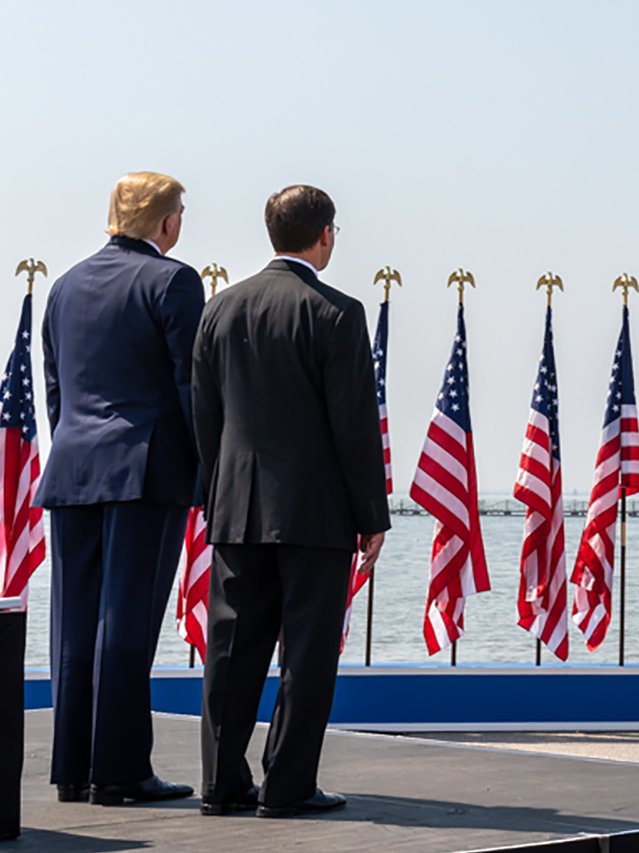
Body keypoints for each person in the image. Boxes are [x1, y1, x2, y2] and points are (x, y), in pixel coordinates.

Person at [192, 184, 389, 818]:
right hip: (315, 513)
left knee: (229, 649)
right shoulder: (338, 312)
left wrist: (215, 493)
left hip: (235, 506)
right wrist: (371, 516)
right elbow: (353, 426)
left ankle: (222, 785)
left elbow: (206, 416)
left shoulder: (219, 308)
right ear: (324, 234)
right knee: (305, 652)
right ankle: (288, 786)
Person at [38, 171, 203, 806]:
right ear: (166, 223)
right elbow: (193, 387)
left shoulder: (65, 285)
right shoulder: (172, 280)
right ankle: (121, 770)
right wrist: (209, 470)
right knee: (127, 623)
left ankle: (74, 770)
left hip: (75, 467)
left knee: (75, 626)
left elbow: (56, 386)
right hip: (146, 469)